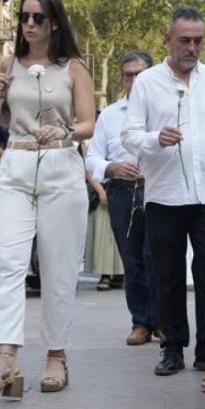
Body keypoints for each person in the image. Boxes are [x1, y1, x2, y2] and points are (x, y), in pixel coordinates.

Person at [0, 0, 95, 397]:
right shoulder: (9, 63)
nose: (28, 24)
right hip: (14, 163)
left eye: (37, 17)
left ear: (53, 23)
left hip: (60, 165)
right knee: (8, 264)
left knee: (57, 268)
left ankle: (56, 355)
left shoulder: (74, 68)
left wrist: (64, 130)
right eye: (23, 17)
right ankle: (6, 358)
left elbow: (88, 123)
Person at [122, 6, 205, 377]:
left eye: (198, 41)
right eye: (185, 40)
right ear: (167, 40)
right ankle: (172, 347)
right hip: (165, 195)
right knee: (167, 274)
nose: (192, 47)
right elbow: (129, 136)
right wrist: (156, 139)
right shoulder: (146, 82)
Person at [85, 50, 158, 346]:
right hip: (121, 192)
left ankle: (164, 321)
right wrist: (110, 167)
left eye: (139, 73)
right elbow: (91, 157)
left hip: (157, 190)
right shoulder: (110, 115)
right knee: (132, 259)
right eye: (128, 74)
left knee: (158, 258)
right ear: (121, 78)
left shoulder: (164, 111)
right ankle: (141, 322)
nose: (134, 79)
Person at [83, 127, 124, 291]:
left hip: (122, 187)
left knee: (120, 235)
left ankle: (120, 273)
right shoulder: (91, 140)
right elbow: (88, 169)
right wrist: (100, 190)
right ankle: (105, 274)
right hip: (102, 189)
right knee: (103, 236)